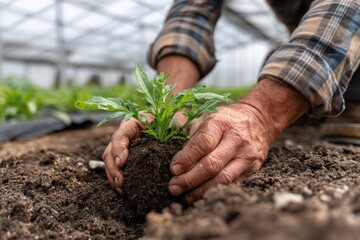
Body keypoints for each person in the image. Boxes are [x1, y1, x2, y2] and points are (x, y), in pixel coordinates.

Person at [102, 0, 360, 202]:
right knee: (277, 61)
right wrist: (167, 103)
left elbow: (347, 10)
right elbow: (190, 15)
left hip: (347, 34)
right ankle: (317, 103)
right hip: (311, 36)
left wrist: (260, 113)